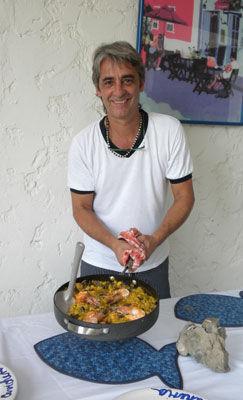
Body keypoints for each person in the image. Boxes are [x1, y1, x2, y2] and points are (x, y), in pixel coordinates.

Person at [67, 41, 194, 299]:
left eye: (127, 80)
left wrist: (154, 240)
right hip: (99, 263)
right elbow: (81, 208)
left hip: (153, 264)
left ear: (141, 83)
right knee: (101, 336)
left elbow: (185, 197)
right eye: (108, 82)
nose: (119, 91)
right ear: (97, 89)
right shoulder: (83, 142)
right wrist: (114, 244)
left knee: (157, 337)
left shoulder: (169, 131)